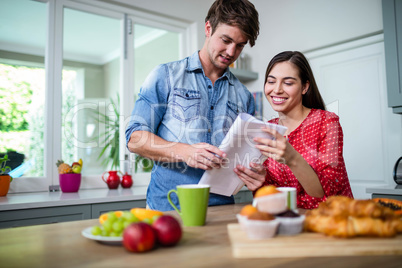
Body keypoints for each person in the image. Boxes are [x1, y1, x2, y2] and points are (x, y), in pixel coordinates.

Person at [125, 0, 261, 211]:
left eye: (240, 45)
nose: (231, 52)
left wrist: (253, 171)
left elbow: (244, 158)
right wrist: (183, 152)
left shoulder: (245, 97)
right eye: (226, 40)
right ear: (208, 28)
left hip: (222, 209)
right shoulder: (166, 75)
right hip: (168, 207)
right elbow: (135, 139)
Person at [234, 51, 353, 209]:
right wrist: (260, 181)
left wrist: (292, 158)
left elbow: (329, 194)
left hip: (330, 222)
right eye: (271, 81)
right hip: (287, 221)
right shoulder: (266, 129)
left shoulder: (327, 122)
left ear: (305, 87)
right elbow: (268, 196)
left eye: (288, 83)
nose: (276, 90)